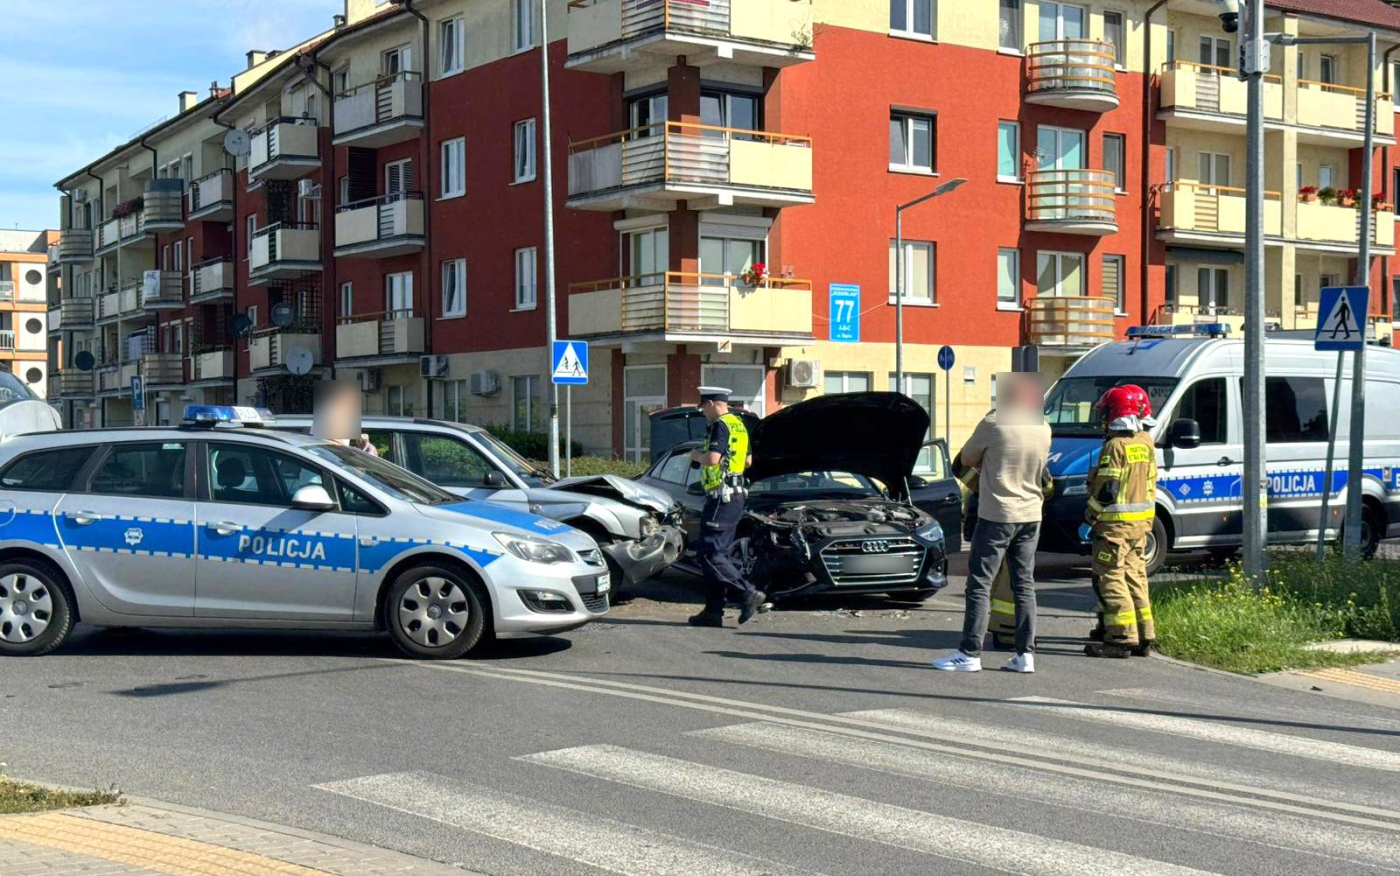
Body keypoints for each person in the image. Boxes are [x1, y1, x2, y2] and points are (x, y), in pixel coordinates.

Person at [932, 373, 1051, 673]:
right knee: (1024, 584)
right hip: (1031, 515)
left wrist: (983, 480)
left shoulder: (994, 423)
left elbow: (963, 460)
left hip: (997, 514)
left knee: (980, 584)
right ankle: (1025, 655)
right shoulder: (1043, 427)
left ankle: (970, 653)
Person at [1083, 384, 1158, 658]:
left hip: (1113, 528)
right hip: (1139, 527)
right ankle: (1143, 634)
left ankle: (1120, 638)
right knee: (1135, 577)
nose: (1103, 420)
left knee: (1110, 578)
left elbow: (1107, 490)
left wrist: (1088, 516)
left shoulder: (1115, 446)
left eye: (1106, 414)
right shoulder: (1145, 442)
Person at [686, 386, 764, 628]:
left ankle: (747, 594)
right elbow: (748, 461)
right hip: (735, 494)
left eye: (703, 409)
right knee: (716, 553)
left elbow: (712, 459)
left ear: (711, 403)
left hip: (723, 497)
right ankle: (713, 611)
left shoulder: (721, 424)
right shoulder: (739, 424)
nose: (703, 413)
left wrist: (696, 455)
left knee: (709, 554)